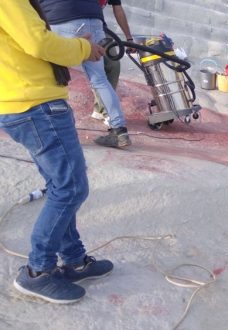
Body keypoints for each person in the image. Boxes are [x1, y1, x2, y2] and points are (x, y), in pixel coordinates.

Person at [0, 0, 113, 304]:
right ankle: (38, 271)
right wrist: (82, 48)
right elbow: (37, 42)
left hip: (28, 103)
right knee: (71, 187)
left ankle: (74, 260)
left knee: (60, 185)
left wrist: (78, 46)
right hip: (35, 105)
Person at [39, 0, 131, 148]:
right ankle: (119, 131)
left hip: (61, 18)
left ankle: (55, 130)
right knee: (100, 79)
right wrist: (129, 37)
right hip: (94, 19)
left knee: (51, 74)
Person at [91, 0, 134, 124]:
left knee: (112, 65)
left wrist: (129, 38)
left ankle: (101, 109)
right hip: (75, 24)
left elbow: (118, 9)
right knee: (96, 66)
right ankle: (108, 112)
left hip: (98, 26)